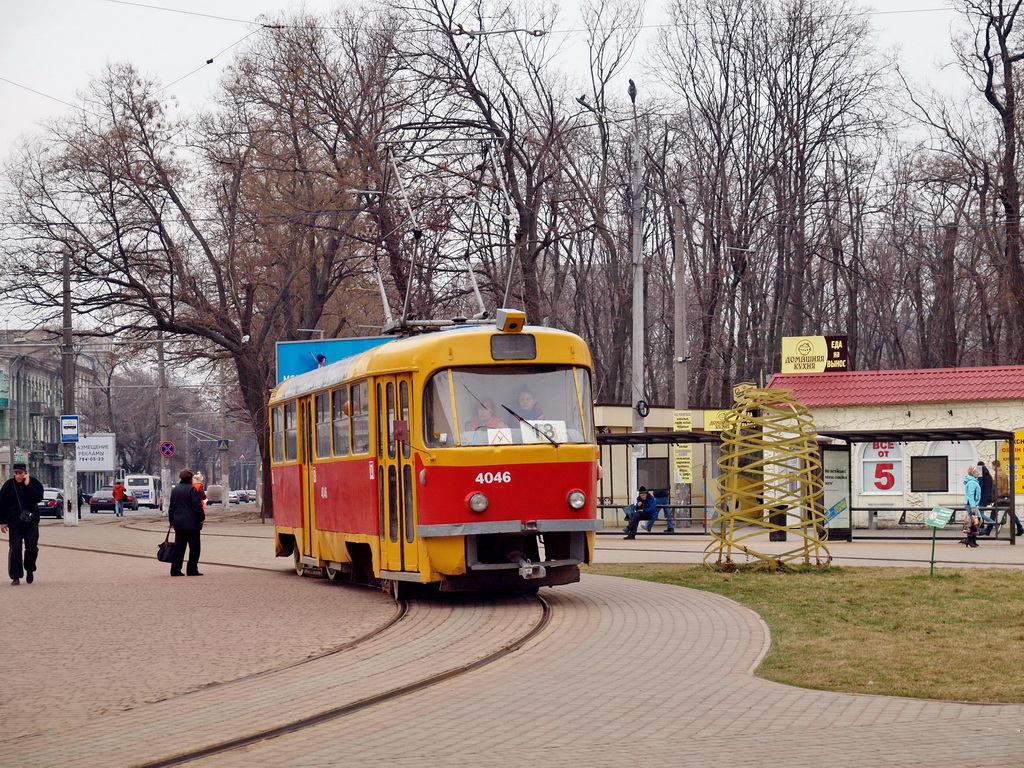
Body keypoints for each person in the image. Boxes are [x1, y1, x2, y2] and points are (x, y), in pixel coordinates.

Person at [0, 462, 45, 585]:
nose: (19, 476)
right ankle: (16, 576)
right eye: (16, 473)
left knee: (32, 547)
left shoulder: (34, 483)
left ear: (25, 473)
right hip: (14, 523)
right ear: (14, 473)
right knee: (15, 548)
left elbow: (38, 498)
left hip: (31, 522)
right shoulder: (8, 485)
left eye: (21, 473)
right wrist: (2, 522)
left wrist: (28, 485)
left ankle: (29, 569)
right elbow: (2, 504)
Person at [168, 468, 206, 576]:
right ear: (190, 478)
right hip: (192, 523)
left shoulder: (175, 490)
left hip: (179, 523)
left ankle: (175, 570)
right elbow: (197, 506)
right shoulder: (192, 489)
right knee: (194, 547)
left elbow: (171, 507)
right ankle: (192, 569)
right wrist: (201, 517)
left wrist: (171, 521)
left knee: (179, 547)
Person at [992, 459, 1022, 536]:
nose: (992, 467)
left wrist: (996, 497)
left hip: (1000, 497)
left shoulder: (997, 474)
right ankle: (1020, 528)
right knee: (1011, 513)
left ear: (995, 466)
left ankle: (987, 530)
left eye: (992, 466)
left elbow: (998, 487)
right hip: (1006, 495)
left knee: (993, 512)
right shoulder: (1003, 473)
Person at [962, 464, 982, 548]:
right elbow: (970, 495)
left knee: (975, 521)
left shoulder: (973, 481)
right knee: (974, 522)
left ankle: (972, 539)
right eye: (977, 472)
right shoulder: (972, 483)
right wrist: (973, 506)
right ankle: (970, 539)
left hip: (972, 504)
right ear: (973, 473)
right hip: (971, 504)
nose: (978, 473)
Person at [977, 461, 996, 535]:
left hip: (982, 497)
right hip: (987, 497)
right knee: (980, 514)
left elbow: (980, 485)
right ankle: (981, 530)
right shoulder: (988, 474)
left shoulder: (981, 474)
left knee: (980, 514)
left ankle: (994, 524)